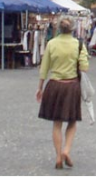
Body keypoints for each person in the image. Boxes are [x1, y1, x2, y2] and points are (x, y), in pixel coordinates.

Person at [36, 18, 89, 169]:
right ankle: (66, 150)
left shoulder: (51, 43)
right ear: (73, 29)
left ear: (58, 28)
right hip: (71, 85)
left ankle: (58, 157)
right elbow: (84, 68)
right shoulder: (79, 45)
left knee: (57, 123)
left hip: (54, 86)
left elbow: (44, 68)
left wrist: (40, 88)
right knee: (72, 121)